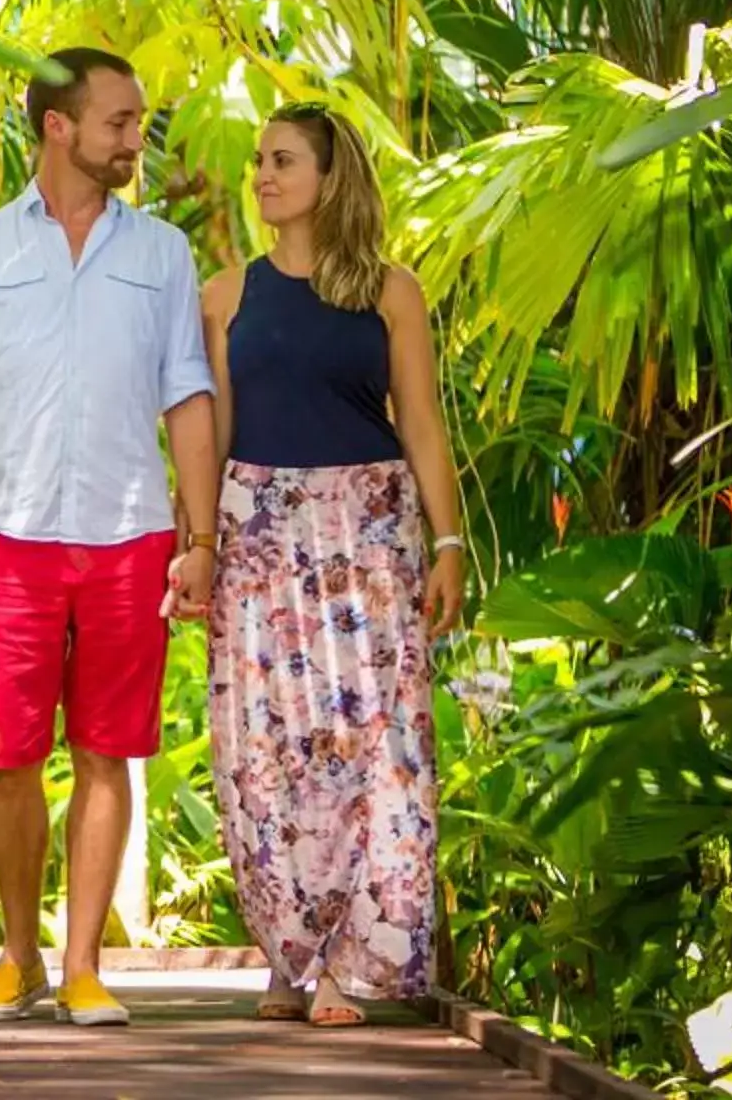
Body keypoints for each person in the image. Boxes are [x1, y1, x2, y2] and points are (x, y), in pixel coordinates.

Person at [0, 46, 221, 1027]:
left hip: (132, 532)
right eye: (120, 121)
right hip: (10, 538)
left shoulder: (163, 253)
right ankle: (18, 956)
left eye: (138, 121)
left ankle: (84, 964)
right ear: (59, 126)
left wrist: (201, 535)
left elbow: (189, 393)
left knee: (107, 751)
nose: (138, 137)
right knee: (6, 755)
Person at [197, 102, 466, 1027]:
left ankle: (354, 962)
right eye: (259, 161)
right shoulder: (225, 296)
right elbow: (216, 435)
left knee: (374, 744)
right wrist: (199, 544)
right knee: (262, 747)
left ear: (328, 176)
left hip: (372, 537)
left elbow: (422, 424)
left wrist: (449, 541)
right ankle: (288, 954)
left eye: (282, 160)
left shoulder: (393, 292)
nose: (263, 175)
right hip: (261, 534)